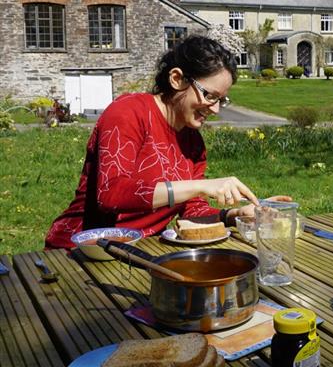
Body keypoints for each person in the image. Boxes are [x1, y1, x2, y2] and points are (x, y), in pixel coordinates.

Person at [46, 36, 260, 249]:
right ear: (177, 79)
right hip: (79, 250)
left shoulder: (193, 142)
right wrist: (200, 185)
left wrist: (235, 215)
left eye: (221, 100)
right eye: (209, 95)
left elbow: (191, 210)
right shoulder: (128, 113)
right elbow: (110, 194)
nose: (215, 109)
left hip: (140, 251)